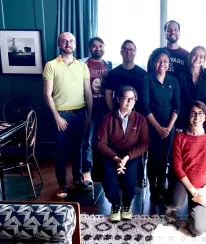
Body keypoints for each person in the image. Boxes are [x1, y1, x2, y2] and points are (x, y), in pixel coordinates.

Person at [43, 32, 93, 198]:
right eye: (64, 41)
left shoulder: (82, 66)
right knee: (60, 151)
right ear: (59, 44)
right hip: (61, 115)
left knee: (78, 149)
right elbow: (47, 94)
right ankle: (62, 184)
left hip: (80, 114)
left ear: (75, 44)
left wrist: (89, 115)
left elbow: (87, 92)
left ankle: (78, 180)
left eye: (71, 41)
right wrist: (57, 117)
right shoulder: (51, 65)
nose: (68, 44)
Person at [165, 101, 206, 236]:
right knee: (174, 202)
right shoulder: (180, 137)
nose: (197, 117)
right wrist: (193, 190)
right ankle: (171, 209)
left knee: (198, 230)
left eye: (200, 113)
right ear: (189, 117)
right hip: (184, 183)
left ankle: (194, 207)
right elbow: (178, 167)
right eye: (193, 113)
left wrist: (205, 189)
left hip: (204, 187)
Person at [97, 86, 149, 222]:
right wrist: (115, 158)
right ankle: (115, 204)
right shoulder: (107, 118)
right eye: (126, 98)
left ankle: (127, 204)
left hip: (131, 155)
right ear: (118, 99)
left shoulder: (140, 119)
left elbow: (144, 144)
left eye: (133, 98)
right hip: (111, 155)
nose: (130, 101)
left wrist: (126, 158)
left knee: (130, 180)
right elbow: (100, 143)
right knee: (108, 178)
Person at [104, 39, 148, 187]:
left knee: (137, 147)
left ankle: (138, 178)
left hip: (138, 118)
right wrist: (114, 114)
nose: (129, 51)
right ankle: (118, 176)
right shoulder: (113, 73)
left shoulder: (142, 74)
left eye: (132, 49)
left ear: (135, 52)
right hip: (118, 115)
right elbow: (108, 94)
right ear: (121, 52)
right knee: (117, 146)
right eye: (125, 49)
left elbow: (146, 97)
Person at [142, 48, 180, 200]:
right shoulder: (147, 80)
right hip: (152, 126)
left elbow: (177, 106)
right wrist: (158, 127)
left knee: (165, 157)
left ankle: (161, 185)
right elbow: (145, 107)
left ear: (169, 64)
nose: (161, 64)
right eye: (158, 61)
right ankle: (152, 186)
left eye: (165, 61)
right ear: (153, 63)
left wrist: (169, 127)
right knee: (154, 157)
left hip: (169, 126)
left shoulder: (174, 81)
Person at [79, 37, 112, 190]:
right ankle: (86, 172)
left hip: (105, 109)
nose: (97, 49)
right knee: (88, 141)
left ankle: (102, 170)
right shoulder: (82, 64)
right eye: (94, 46)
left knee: (104, 141)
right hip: (87, 109)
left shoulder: (109, 65)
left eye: (100, 46)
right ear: (89, 48)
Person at [177, 46, 206, 131]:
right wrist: (191, 117)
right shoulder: (180, 75)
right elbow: (178, 100)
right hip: (184, 121)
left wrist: (199, 118)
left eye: (201, 57)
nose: (197, 58)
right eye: (195, 55)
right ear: (190, 56)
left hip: (205, 122)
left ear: (204, 59)